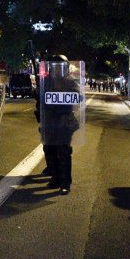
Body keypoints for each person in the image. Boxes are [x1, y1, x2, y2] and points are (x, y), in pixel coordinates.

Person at [36, 55, 80, 195]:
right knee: (50, 151)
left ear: (65, 68)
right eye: (55, 67)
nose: (57, 70)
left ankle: (65, 182)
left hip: (64, 121)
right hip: (49, 120)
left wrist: (65, 91)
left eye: (60, 67)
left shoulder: (70, 81)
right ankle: (55, 178)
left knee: (64, 153)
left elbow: (78, 96)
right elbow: (40, 101)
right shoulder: (46, 81)